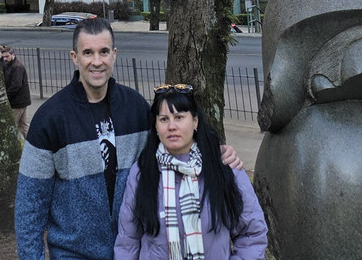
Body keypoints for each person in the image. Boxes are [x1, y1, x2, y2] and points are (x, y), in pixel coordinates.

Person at [15, 17, 242, 260]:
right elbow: (30, 206)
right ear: (75, 57)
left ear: (114, 55)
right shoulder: (50, 119)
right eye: (88, 53)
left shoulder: (135, 107)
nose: (97, 61)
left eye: (104, 52)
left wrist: (215, 152)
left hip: (131, 249)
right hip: (73, 254)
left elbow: (175, 144)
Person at [114, 84, 267, 260]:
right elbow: (128, 241)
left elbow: (251, 234)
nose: (171, 126)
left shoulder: (223, 167)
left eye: (179, 117)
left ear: (195, 121)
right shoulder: (142, 173)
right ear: (155, 126)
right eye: (164, 119)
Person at [0, 44, 32, 138]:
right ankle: (33, 143)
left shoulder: (16, 67)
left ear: (13, 55)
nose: (5, 59)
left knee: (11, 125)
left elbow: (16, 86)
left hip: (17, 102)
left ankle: (14, 143)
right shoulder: (11, 65)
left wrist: (6, 96)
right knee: (23, 125)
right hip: (20, 101)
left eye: (7, 56)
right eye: (3, 57)